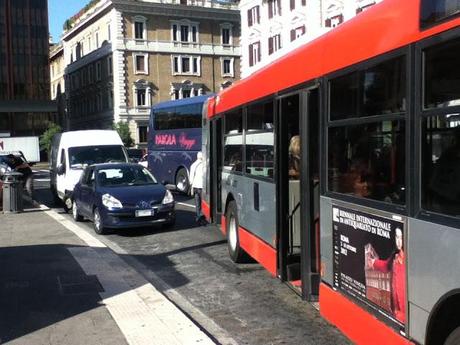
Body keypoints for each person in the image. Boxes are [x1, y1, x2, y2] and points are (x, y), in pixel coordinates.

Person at [367, 227, 406, 323]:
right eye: (397, 237)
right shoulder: (395, 256)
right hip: (396, 311)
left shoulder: (409, 258)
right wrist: (373, 262)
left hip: (405, 312)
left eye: (401, 238)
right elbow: (386, 266)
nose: (398, 241)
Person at [189, 151, 206, 225]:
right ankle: (202, 215)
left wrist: (191, 186)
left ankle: (198, 215)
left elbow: (191, 178)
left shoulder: (193, 165)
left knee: (197, 202)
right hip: (201, 187)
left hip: (195, 187)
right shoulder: (204, 166)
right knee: (203, 202)